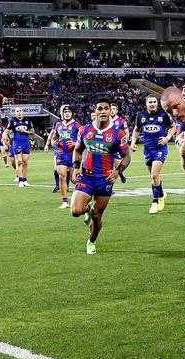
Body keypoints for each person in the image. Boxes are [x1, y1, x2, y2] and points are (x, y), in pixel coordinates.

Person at [71, 97, 131, 255]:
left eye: (106, 108)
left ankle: (91, 241)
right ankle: (87, 210)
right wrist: (76, 167)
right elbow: (77, 150)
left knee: (97, 216)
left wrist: (118, 171)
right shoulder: (85, 130)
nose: (103, 111)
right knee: (76, 211)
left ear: (110, 112)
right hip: (86, 177)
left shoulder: (117, 134)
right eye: (100, 109)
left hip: (105, 179)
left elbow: (127, 156)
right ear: (95, 112)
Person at [130, 94, 176, 214]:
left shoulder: (163, 115)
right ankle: (160, 192)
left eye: (154, 101)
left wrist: (168, 137)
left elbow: (173, 127)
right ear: (146, 104)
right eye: (150, 102)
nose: (152, 104)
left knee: (154, 176)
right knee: (154, 176)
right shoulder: (141, 116)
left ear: (157, 103)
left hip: (160, 149)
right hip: (147, 150)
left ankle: (156, 201)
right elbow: (136, 129)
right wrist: (133, 142)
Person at [46, 105, 81, 208]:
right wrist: (53, 142)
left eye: (69, 112)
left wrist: (75, 144)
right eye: (65, 112)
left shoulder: (77, 126)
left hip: (73, 155)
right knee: (62, 176)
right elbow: (53, 139)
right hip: (61, 154)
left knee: (75, 179)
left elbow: (84, 140)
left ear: (72, 114)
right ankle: (65, 201)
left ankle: (82, 198)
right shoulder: (58, 125)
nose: (67, 113)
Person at [3, 107, 34, 187]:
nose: (19, 112)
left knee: (25, 162)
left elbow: (32, 132)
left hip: (26, 143)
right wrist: (4, 137)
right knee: (18, 161)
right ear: (15, 112)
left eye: (20, 111)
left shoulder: (28, 120)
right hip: (17, 142)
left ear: (22, 112)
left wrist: (25, 131)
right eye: (17, 111)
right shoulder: (12, 120)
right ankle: (20, 180)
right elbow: (6, 131)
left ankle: (25, 180)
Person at [110, 102, 129, 183]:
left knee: (118, 169)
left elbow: (127, 133)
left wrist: (123, 143)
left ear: (117, 111)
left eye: (113, 109)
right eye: (110, 109)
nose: (112, 111)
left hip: (117, 148)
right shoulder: (105, 120)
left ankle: (121, 174)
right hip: (107, 148)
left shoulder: (121, 121)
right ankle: (109, 188)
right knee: (108, 169)